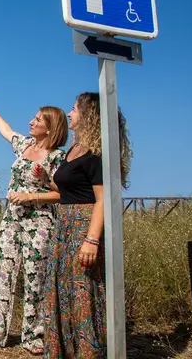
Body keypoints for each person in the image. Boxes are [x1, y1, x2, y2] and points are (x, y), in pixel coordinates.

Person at [39, 92, 132, 358]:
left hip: (83, 226)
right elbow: (70, 190)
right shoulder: (73, 151)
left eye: (74, 109)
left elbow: (103, 199)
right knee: (62, 288)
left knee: (82, 290)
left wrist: (91, 240)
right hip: (64, 226)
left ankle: (88, 352)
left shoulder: (96, 155)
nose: (69, 113)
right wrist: (46, 179)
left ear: (89, 115)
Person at [0, 99, 68, 355]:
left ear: (50, 128)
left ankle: (33, 335)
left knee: (35, 276)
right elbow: (7, 132)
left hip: (39, 222)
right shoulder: (25, 145)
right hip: (12, 219)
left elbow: (63, 193)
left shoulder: (57, 157)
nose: (31, 122)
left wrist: (36, 191)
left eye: (38, 119)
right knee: (4, 272)